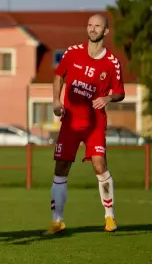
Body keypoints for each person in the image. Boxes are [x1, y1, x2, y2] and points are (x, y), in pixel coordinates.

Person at [46, 14, 124, 235]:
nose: (92, 29)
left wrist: (108, 98)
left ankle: (109, 217)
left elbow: (120, 92)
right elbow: (58, 76)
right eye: (90, 25)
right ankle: (57, 220)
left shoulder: (112, 63)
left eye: (97, 26)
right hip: (70, 122)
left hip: (94, 124)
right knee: (60, 168)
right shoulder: (72, 53)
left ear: (105, 31)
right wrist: (55, 100)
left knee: (100, 166)